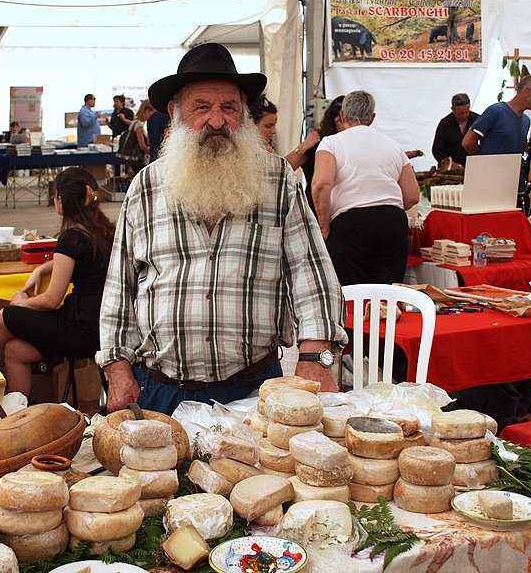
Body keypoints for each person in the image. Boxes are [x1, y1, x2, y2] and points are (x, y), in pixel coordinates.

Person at [96, 43, 346, 415]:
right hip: (161, 391)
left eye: (229, 107)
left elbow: (313, 279)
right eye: (202, 107)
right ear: (174, 112)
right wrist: (117, 369)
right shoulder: (146, 187)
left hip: (255, 392)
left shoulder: (278, 181)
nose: (216, 121)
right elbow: (120, 289)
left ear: (243, 114)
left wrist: (317, 359)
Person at [0, 167, 114, 396]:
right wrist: (43, 269)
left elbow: (50, 300)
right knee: (14, 350)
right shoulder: (103, 231)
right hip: (103, 326)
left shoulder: (71, 237)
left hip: (83, 330)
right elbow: (80, 260)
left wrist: (22, 302)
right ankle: (17, 413)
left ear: (61, 201)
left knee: (5, 316)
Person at [312, 90, 420, 286]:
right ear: (372, 118)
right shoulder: (393, 145)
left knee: (352, 297)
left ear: (343, 115)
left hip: (351, 224)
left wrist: (324, 225)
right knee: (386, 298)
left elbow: (321, 184)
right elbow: (412, 196)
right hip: (392, 223)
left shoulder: (331, 143)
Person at [285, 95, 345, 216]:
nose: (345, 126)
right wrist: (302, 147)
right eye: (341, 121)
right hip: (316, 209)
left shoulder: (355, 143)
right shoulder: (317, 141)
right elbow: (284, 168)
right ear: (334, 119)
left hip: (343, 209)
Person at [462, 75, 531, 158]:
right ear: (527, 92)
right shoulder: (496, 111)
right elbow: (468, 142)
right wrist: (485, 160)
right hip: (490, 170)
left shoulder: (526, 121)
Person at [431, 93, 479, 167]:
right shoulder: (445, 124)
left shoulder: (477, 120)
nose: (465, 115)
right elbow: (437, 150)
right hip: (451, 169)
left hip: (473, 165)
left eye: (467, 111)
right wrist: (450, 164)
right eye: (461, 113)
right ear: (453, 110)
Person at [127, 99, 155, 174]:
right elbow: (142, 145)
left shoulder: (134, 123)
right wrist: (152, 153)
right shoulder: (138, 125)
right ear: (146, 111)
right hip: (139, 160)